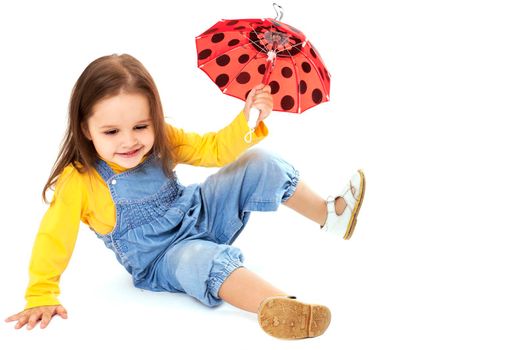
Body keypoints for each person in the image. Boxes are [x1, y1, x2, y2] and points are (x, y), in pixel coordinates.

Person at [4, 54, 365, 339]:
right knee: (201, 259)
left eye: (141, 126)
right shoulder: (80, 181)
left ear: (155, 118)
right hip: (163, 257)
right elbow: (54, 238)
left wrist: (248, 118)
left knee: (258, 161)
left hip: (199, 213)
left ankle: (329, 214)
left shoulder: (164, 138)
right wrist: (41, 293)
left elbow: (213, 151)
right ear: (86, 128)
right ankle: (281, 307)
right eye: (111, 131)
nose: (129, 141)